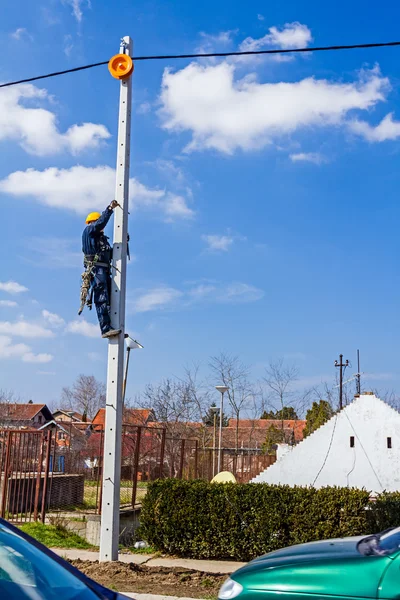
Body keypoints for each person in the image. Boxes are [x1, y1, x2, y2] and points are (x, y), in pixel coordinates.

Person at [82, 200, 121, 339]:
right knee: (101, 297)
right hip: (96, 270)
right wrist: (110, 209)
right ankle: (105, 329)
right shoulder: (90, 230)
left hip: (103, 270)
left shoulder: (99, 238)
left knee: (111, 297)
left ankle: (111, 325)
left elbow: (109, 253)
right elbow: (100, 223)